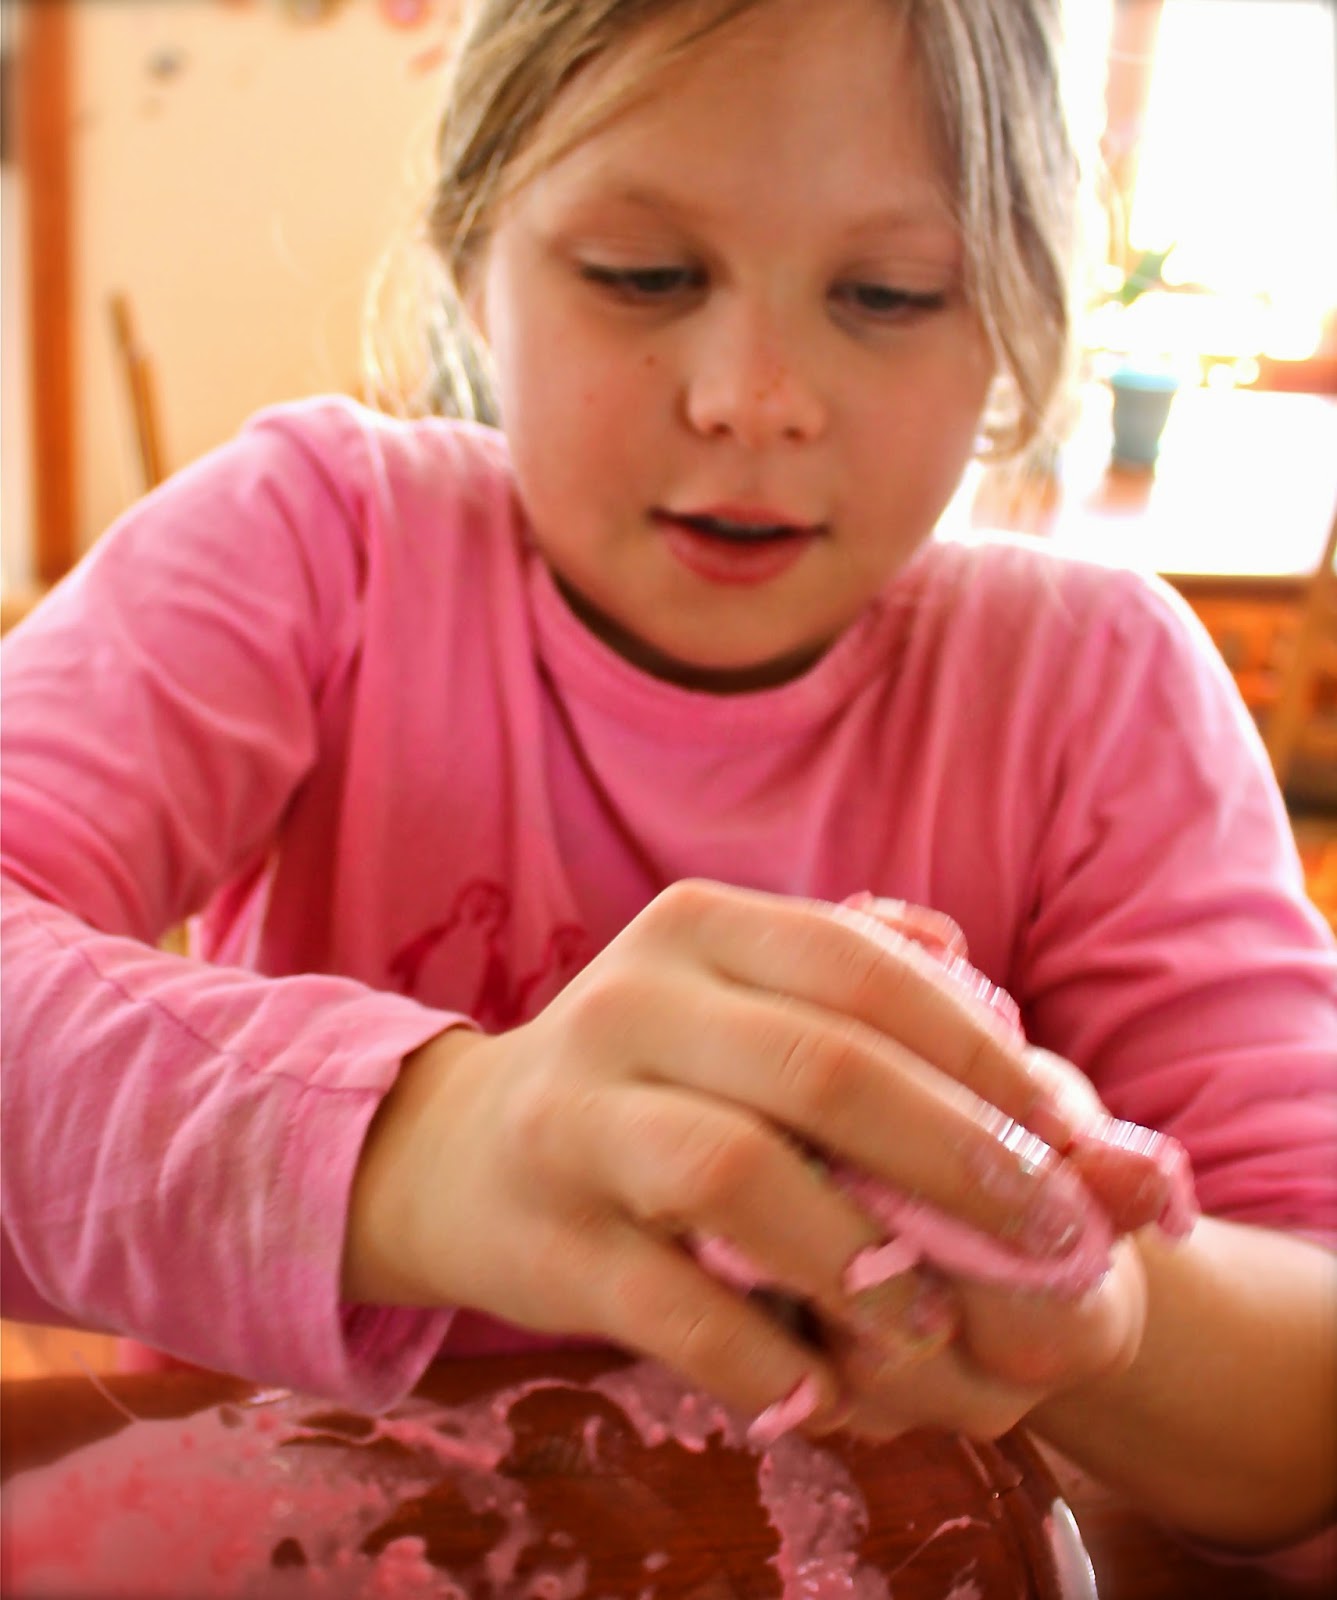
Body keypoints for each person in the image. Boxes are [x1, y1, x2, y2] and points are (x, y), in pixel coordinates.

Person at [2, 0, 1333, 1563]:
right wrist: (430, 1141)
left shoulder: (1094, 690)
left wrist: (1088, 1303)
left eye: (887, 294)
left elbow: (1300, 1373)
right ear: (469, 261)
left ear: (1022, 328)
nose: (751, 396)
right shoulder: (318, 550)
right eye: (642, 275)